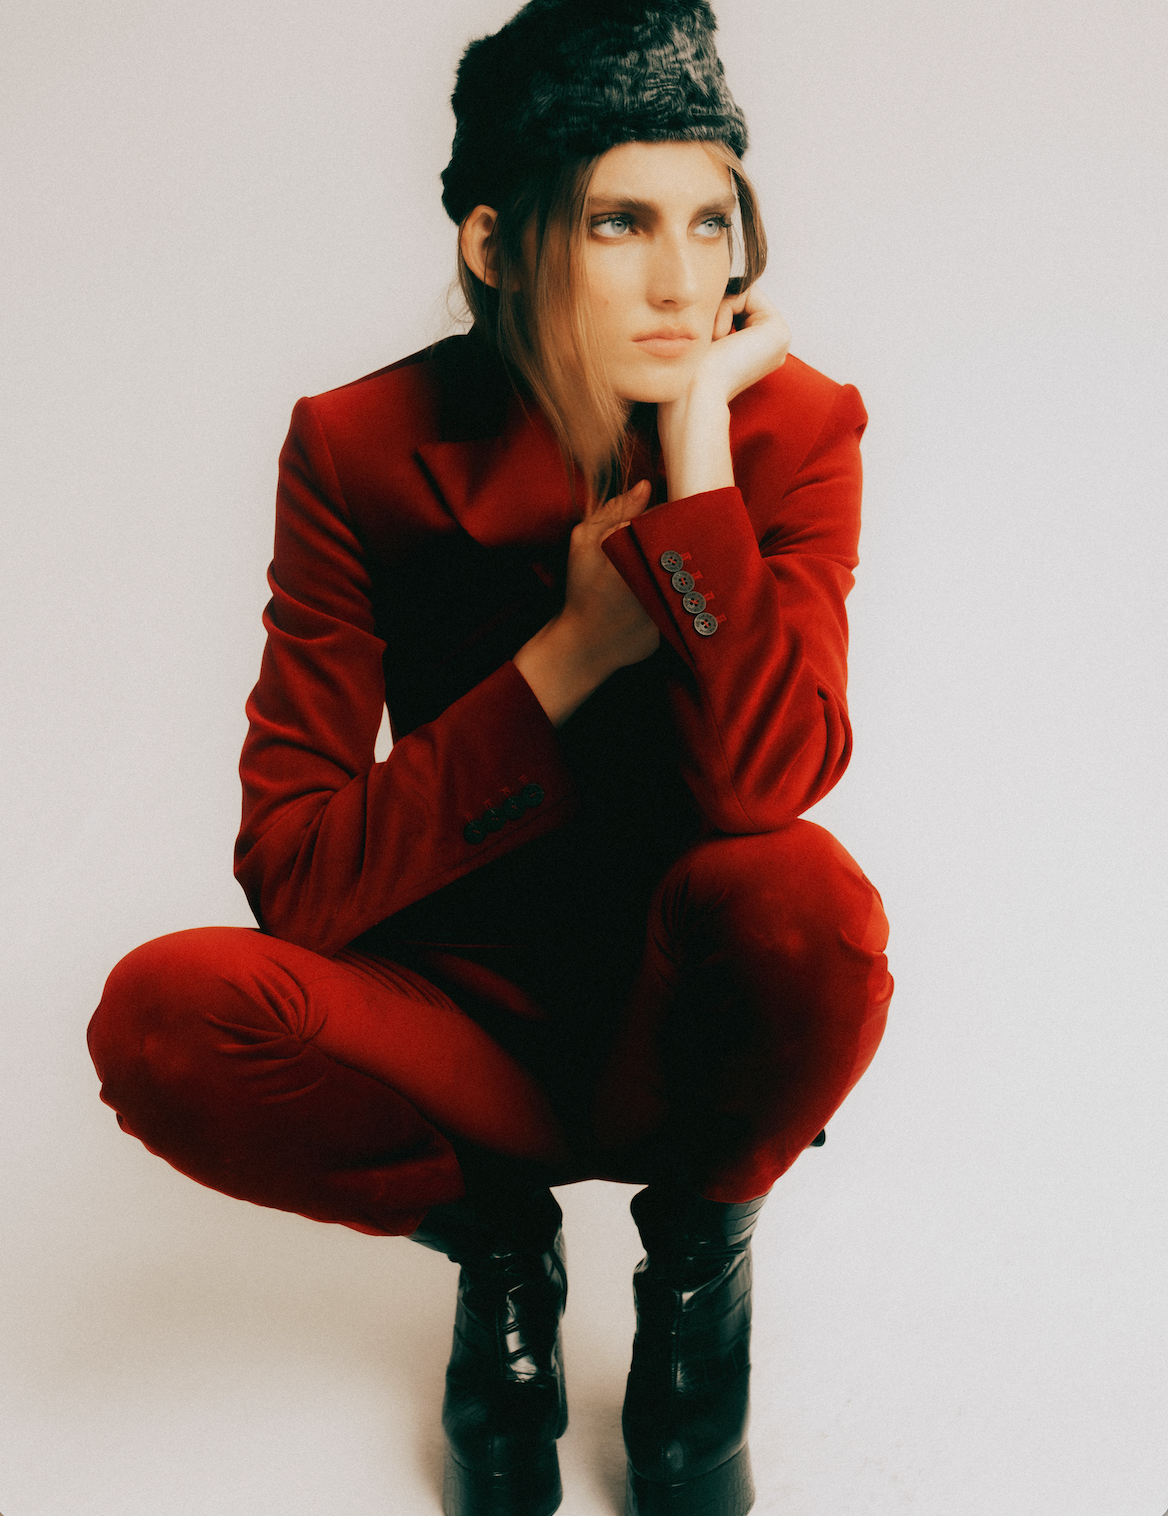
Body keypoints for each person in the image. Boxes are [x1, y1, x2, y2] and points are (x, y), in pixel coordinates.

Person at [87, 2, 894, 1512]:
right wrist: (568, 656)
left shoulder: (792, 430)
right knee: (164, 1015)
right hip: (456, 1026)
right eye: (617, 222)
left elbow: (764, 783)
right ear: (496, 245)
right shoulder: (359, 447)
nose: (684, 280)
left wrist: (699, 461)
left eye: (710, 222)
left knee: (810, 903)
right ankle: (502, 1247)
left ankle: (698, 1266)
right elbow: (297, 881)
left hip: (669, 1019)